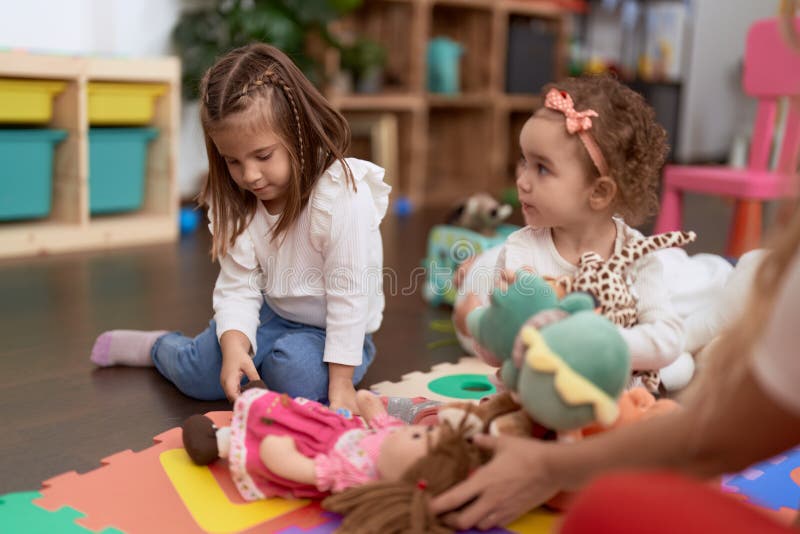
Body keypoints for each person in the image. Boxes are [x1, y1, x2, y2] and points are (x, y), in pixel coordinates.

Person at [432, 210, 800, 532]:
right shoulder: (518, 256)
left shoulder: (630, 259)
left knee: (608, 506)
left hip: (715, 282)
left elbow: (717, 439)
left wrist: (551, 466)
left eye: (541, 168)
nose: (523, 180)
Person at [90, 44, 391, 413]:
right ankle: (157, 347)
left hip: (338, 330)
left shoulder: (342, 194)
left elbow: (350, 296)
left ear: (299, 134)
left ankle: (271, 365)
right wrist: (233, 347)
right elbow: (238, 286)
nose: (249, 175)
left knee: (297, 376)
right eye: (233, 160)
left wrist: (342, 382)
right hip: (274, 313)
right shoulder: (238, 199)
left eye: (263, 156)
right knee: (200, 374)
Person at [454, 75, 687, 389]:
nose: (522, 180)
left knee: (679, 370)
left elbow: (668, 339)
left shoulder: (637, 254)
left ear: (600, 192)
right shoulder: (521, 250)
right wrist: (477, 324)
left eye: (542, 168)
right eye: (525, 161)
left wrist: (593, 343)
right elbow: (501, 348)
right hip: (542, 396)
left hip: (612, 398)